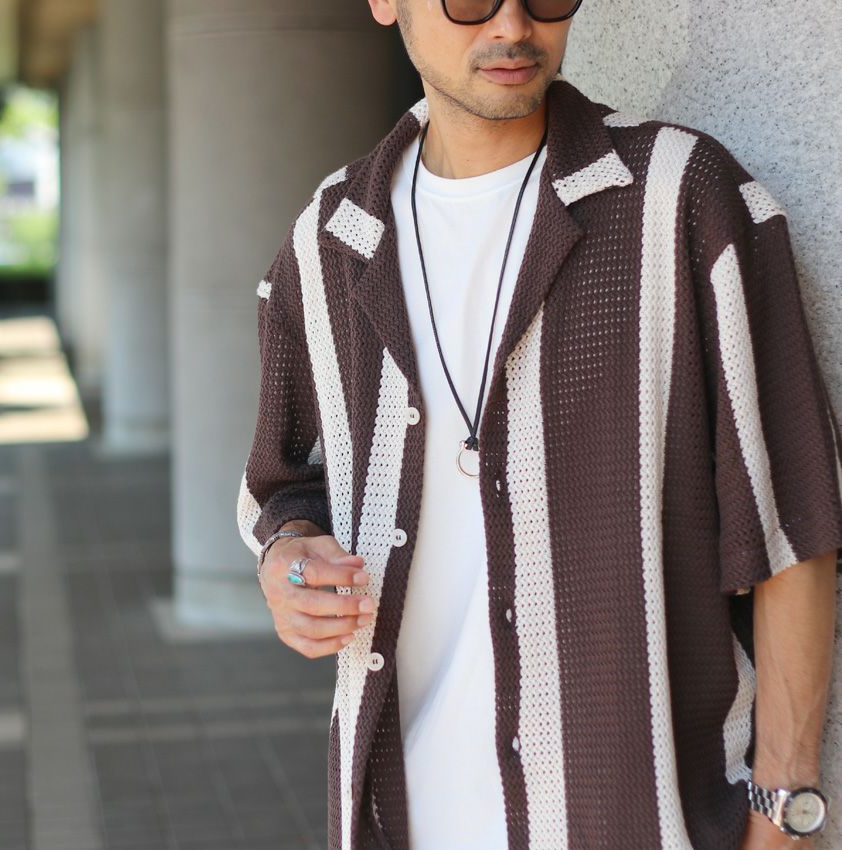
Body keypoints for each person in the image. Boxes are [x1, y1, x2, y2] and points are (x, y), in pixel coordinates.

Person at [237, 1, 842, 848]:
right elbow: (286, 486)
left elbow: (792, 518)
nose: (514, 26)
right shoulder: (330, 241)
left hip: (633, 819)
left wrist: (784, 806)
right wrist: (290, 558)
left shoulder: (680, 198)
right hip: (399, 819)